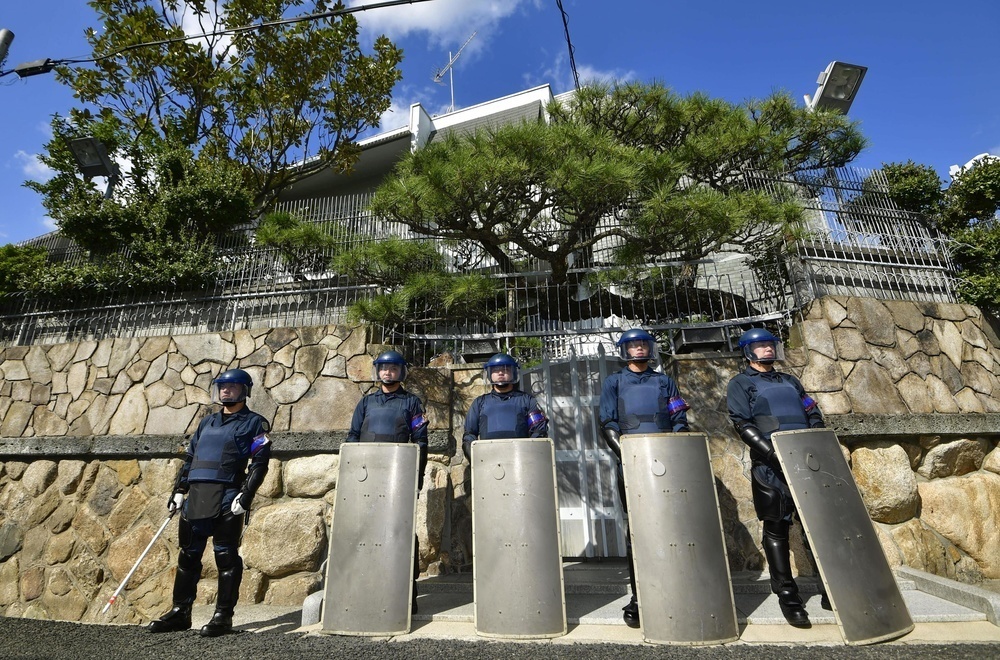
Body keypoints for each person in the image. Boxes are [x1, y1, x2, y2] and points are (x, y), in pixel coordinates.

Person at [149, 368, 271, 637]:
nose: (226, 391)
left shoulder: (255, 423)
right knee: (188, 556)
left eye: (232, 386)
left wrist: (247, 494)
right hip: (196, 495)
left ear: (244, 391)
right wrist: (179, 490)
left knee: (225, 556)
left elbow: (260, 463)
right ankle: (180, 612)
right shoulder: (206, 422)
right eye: (222, 386)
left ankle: (222, 616)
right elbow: (191, 458)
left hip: (227, 496)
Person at [726, 327, 830, 627]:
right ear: (748, 352)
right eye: (761, 346)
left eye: (770, 344)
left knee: (817, 527)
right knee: (776, 528)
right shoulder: (740, 383)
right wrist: (773, 454)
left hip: (805, 461)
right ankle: (788, 596)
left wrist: (815, 439)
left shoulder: (790, 381)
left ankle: (831, 588)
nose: (768, 349)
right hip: (770, 467)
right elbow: (743, 424)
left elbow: (812, 411)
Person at [599, 328, 690, 628]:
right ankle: (640, 597)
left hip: (666, 462)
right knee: (637, 530)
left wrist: (674, 448)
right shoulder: (614, 382)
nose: (639, 349)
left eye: (643, 344)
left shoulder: (664, 381)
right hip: (631, 463)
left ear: (650, 348)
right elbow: (608, 423)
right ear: (624, 351)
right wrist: (626, 454)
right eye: (633, 345)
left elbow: (679, 419)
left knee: (672, 525)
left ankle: (677, 589)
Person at [346, 350, 429, 613]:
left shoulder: (412, 402)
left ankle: (407, 594)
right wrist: (352, 475)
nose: (387, 372)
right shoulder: (366, 402)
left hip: (398, 478)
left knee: (400, 533)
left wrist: (416, 477)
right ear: (377, 371)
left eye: (393, 368)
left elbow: (420, 442)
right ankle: (367, 591)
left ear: (401, 372)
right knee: (366, 532)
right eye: (383, 368)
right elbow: (352, 437)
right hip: (367, 479)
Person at [462, 353, 548, 460]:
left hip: (520, 459)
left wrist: (528, 456)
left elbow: (539, 431)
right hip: (488, 460)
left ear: (514, 373)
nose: (500, 372)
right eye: (496, 370)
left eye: (505, 369)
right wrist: (477, 460)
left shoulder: (527, 401)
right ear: (489, 374)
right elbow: (469, 435)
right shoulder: (479, 403)